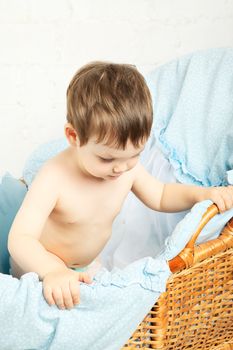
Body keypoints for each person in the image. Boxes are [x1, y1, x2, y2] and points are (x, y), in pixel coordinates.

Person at [8, 61, 233, 310]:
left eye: (135, 154)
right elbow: (21, 239)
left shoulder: (126, 167)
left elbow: (160, 195)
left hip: (87, 265)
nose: (121, 168)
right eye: (107, 158)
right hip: (41, 267)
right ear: (74, 136)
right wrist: (52, 271)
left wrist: (204, 194)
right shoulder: (54, 176)